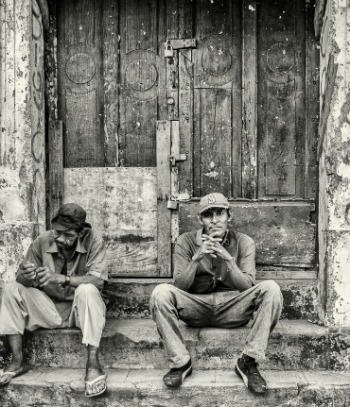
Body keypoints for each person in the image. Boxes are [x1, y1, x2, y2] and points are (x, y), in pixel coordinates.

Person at [150, 193, 283, 394]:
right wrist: (196, 258)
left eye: (220, 213)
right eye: (208, 215)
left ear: (229, 215)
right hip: (196, 307)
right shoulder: (185, 241)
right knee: (160, 292)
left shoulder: (244, 242)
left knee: (272, 288)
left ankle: (248, 361)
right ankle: (180, 362)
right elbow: (180, 286)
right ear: (200, 220)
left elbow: (247, 286)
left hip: (233, 309)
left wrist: (227, 258)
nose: (214, 220)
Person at [0, 203, 108, 397]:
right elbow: (21, 281)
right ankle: (17, 360)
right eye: (57, 232)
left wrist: (62, 278)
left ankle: (93, 364)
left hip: (80, 311)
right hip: (49, 309)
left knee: (88, 289)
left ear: (81, 233)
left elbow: (99, 281)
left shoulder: (94, 241)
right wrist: (26, 275)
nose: (60, 239)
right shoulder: (42, 241)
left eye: (68, 236)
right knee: (10, 287)